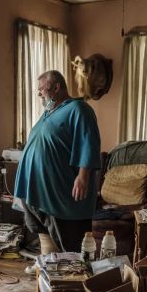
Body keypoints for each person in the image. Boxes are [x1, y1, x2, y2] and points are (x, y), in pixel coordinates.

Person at [14, 70, 101, 257]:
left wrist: (83, 176)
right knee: (46, 239)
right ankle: (50, 277)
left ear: (56, 87)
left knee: (71, 246)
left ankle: (74, 281)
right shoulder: (49, 112)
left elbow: (89, 143)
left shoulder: (79, 109)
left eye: (41, 89)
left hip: (61, 191)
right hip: (37, 192)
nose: (38, 93)